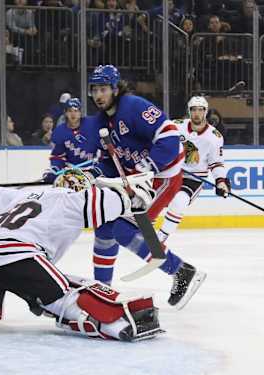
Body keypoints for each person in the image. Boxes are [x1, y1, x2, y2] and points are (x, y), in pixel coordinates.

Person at [0, 174, 163, 342]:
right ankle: (117, 324)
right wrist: (136, 195)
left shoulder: (20, 194)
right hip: (21, 254)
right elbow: (118, 200)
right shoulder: (73, 199)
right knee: (64, 297)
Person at [87, 65, 206, 310]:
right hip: (136, 179)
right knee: (104, 228)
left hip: (163, 176)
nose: (98, 95)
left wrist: (149, 165)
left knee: (123, 230)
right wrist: (94, 174)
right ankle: (104, 292)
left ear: (115, 88)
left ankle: (181, 271)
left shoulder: (133, 106)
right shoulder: (99, 121)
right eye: (94, 90)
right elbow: (109, 161)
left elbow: (170, 136)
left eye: (103, 89)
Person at [157, 97, 230, 243]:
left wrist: (221, 181)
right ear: (189, 111)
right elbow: (158, 137)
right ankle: (143, 231)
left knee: (179, 202)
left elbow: (216, 163)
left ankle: (160, 238)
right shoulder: (176, 126)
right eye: (193, 109)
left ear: (205, 112)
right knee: (150, 199)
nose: (197, 113)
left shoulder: (214, 137)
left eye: (200, 110)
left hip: (193, 179)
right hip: (171, 173)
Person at [42, 98, 102, 184]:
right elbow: (58, 156)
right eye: (70, 111)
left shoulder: (92, 124)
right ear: (65, 113)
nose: (73, 114)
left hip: (91, 168)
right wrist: (55, 169)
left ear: (80, 112)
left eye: (76, 111)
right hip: (70, 171)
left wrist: (99, 164)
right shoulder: (59, 131)